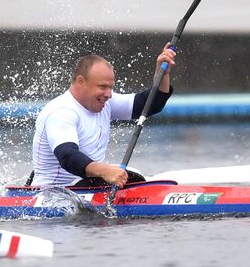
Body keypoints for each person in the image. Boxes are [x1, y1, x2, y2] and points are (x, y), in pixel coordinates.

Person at [31, 45, 177, 188]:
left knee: (134, 176)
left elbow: (150, 105)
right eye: (102, 87)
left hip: (87, 185)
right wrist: (105, 171)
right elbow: (68, 156)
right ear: (80, 81)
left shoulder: (105, 103)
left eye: (110, 87)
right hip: (54, 191)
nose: (108, 94)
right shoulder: (62, 111)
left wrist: (162, 74)